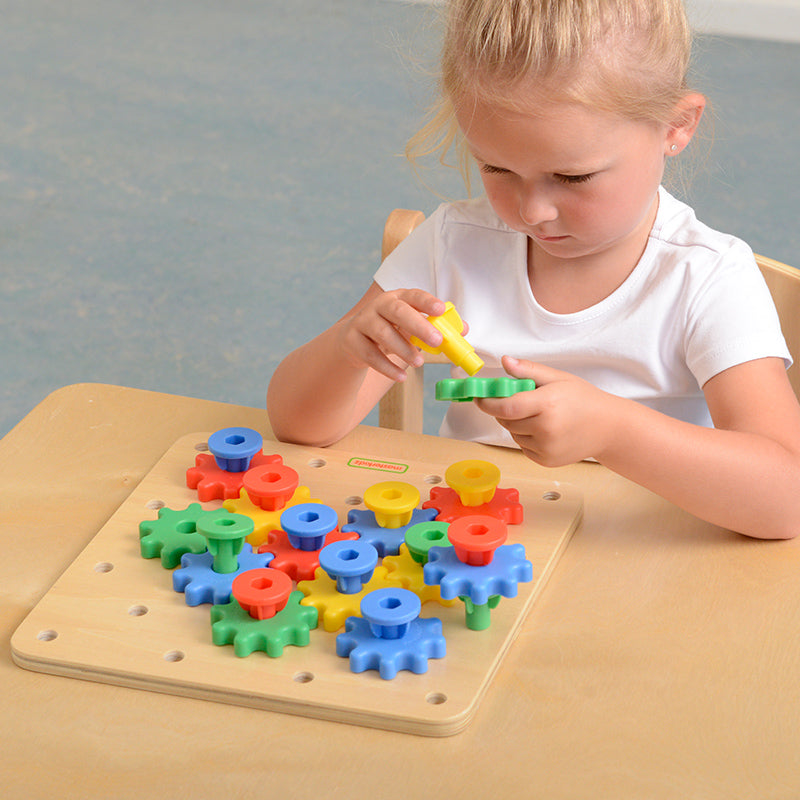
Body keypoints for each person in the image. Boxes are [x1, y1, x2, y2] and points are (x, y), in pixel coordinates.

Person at [268, 0, 800, 539]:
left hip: (647, 561)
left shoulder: (707, 280)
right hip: (473, 551)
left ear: (675, 127)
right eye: (497, 168)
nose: (532, 212)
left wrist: (613, 432)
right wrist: (346, 350)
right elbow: (298, 427)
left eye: (572, 177)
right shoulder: (453, 244)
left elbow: (788, 500)